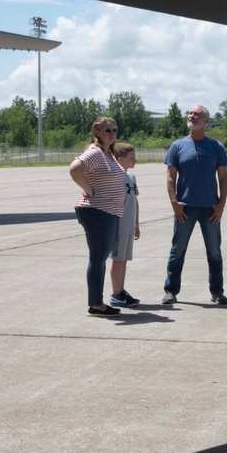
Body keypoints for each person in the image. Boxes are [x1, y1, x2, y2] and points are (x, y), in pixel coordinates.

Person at [162, 105, 227, 305]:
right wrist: (174, 203)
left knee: (214, 251)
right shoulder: (178, 146)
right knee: (177, 250)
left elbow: (223, 178)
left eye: (197, 114)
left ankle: (217, 291)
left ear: (206, 121)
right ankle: (171, 290)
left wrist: (221, 205)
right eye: (190, 114)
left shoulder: (216, 147)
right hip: (185, 208)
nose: (192, 116)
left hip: (211, 209)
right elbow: (170, 178)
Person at [69, 117, 126, 317]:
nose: (111, 133)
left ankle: (97, 303)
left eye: (114, 130)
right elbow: (75, 168)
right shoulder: (95, 152)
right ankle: (96, 304)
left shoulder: (107, 153)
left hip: (108, 212)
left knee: (100, 258)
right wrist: (89, 189)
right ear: (97, 132)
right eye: (107, 130)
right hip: (97, 211)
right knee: (98, 259)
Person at [109, 142, 141, 307]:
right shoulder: (114, 178)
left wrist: (136, 224)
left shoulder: (131, 176)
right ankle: (115, 294)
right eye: (131, 158)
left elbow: (134, 200)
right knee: (117, 259)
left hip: (128, 226)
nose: (135, 161)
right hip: (118, 227)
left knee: (124, 260)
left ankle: (121, 290)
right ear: (120, 159)